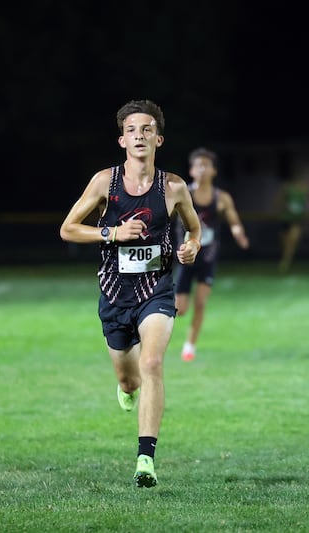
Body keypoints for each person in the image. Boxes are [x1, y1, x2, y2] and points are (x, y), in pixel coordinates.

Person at [59, 99, 202, 488]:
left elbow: (193, 228)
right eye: (132, 130)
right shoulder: (104, 182)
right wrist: (111, 232)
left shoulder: (173, 186)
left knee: (152, 363)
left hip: (157, 289)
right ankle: (125, 387)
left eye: (147, 129)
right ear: (122, 140)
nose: (140, 135)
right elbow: (68, 229)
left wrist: (192, 246)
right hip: (114, 293)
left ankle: (145, 459)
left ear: (159, 138)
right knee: (129, 380)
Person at [174, 147, 249, 362]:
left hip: (208, 257)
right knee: (180, 309)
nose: (202, 169)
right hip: (186, 255)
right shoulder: (183, 194)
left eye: (206, 165)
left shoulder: (221, 197)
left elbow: (234, 221)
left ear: (214, 171)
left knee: (201, 302)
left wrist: (239, 234)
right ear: (191, 170)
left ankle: (190, 346)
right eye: (198, 165)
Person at [273, 173, 309, 274]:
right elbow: (278, 200)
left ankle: (285, 262)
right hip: (285, 218)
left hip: (297, 220)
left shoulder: (304, 188)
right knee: (285, 242)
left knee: (293, 240)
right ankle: (286, 259)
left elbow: (305, 203)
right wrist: (283, 208)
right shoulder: (286, 187)